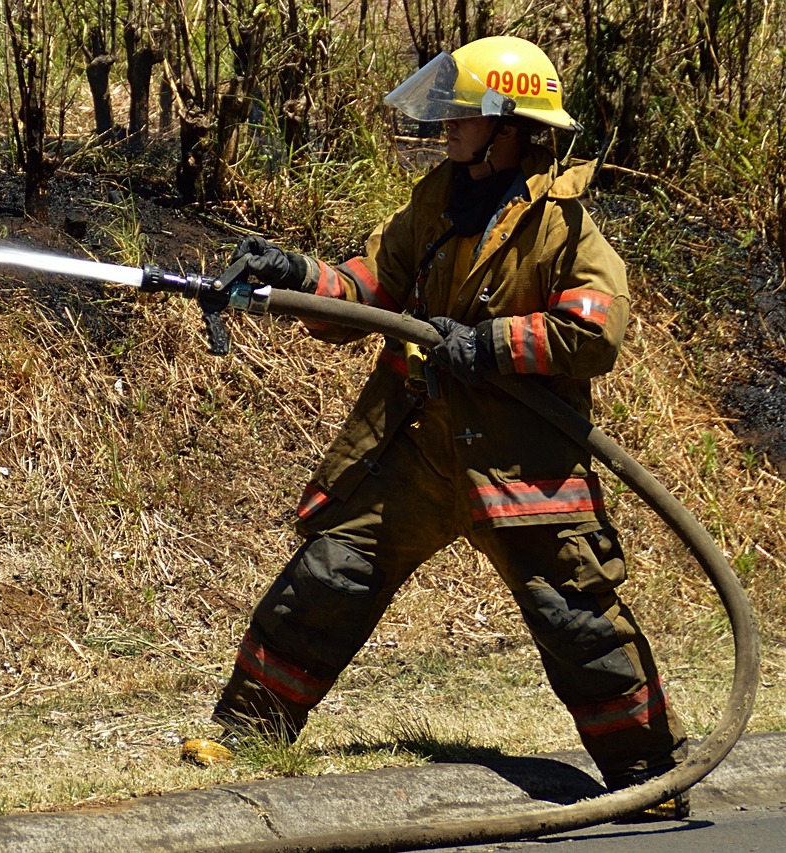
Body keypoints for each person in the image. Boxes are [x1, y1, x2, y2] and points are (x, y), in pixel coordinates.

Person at [183, 35, 689, 814]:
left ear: (510, 125)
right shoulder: (438, 199)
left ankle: (650, 777)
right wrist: (293, 274)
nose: (446, 128)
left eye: (462, 115)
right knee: (329, 574)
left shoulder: (564, 227)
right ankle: (250, 728)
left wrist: (490, 343)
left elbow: (596, 331)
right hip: (418, 445)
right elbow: (370, 286)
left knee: (575, 617)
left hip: (522, 463)